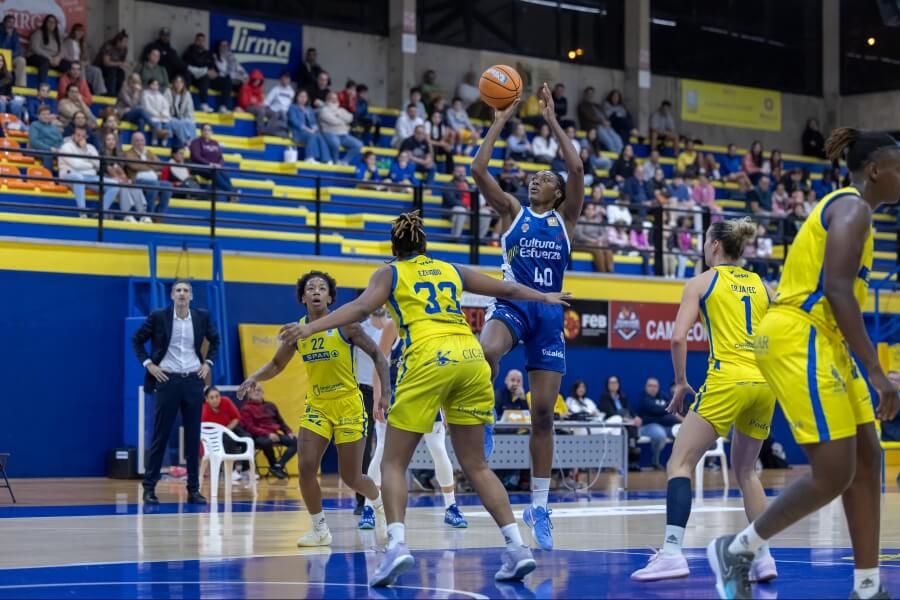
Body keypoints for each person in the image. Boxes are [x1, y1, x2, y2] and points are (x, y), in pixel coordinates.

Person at [278, 210, 571, 586]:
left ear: (394, 247)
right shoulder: (450, 268)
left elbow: (360, 308)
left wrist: (310, 328)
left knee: (394, 462)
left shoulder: (390, 272)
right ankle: (517, 549)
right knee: (476, 465)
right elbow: (509, 289)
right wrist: (545, 295)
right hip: (470, 356)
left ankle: (396, 546)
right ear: (425, 244)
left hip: (429, 358)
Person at [707, 128, 900, 600]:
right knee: (834, 471)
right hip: (801, 333)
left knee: (868, 455)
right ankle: (739, 548)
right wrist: (876, 372)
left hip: (825, 338)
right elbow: (835, 291)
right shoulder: (852, 207)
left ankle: (868, 585)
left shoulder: (859, 214)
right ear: (875, 170)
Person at [631, 217, 778, 584]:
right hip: (764, 383)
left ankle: (671, 553)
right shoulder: (763, 285)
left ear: (714, 246)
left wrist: (681, 382)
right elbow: (782, 332)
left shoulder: (701, 282)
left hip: (727, 377)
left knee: (679, 463)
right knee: (747, 472)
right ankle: (763, 558)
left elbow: (678, 338)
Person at [471, 83, 584, 551]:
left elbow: (576, 165)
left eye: (544, 178)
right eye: (533, 177)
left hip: (549, 316)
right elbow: (478, 170)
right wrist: (501, 116)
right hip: (513, 303)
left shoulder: (566, 220)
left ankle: (539, 504)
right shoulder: (513, 211)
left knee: (542, 416)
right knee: (485, 351)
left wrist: (552, 119)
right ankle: (484, 414)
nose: (535, 181)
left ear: (558, 193)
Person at [238, 270, 389, 546]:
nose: (316, 291)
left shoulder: (347, 326)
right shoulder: (297, 331)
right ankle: (320, 529)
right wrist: (253, 378)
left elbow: (379, 356)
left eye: (322, 288)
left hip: (349, 405)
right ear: (302, 297)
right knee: (306, 466)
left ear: (330, 296)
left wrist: (384, 395)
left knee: (352, 476)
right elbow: (276, 365)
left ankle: (379, 504)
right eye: (311, 288)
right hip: (318, 405)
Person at [361, 314, 469, 530]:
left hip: (429, 396)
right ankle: (369, 508)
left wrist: (446, 405)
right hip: (397, 396)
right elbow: (379, 360)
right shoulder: (394, 325)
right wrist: (376, 397)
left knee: (438, 449)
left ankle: (451, 507)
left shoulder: (437, 325)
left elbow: (445, 370)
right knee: (382, 450)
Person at [131, 279, 220, 505]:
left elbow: (216, 341)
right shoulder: (159, 316)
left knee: (192, 439)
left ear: (191, 296)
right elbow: (137, 340)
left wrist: (208, 363)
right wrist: (149, 364)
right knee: (160, 436)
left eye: (186, 291)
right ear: (172, 295)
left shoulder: (201, 317)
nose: (182, 294)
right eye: (178, 290)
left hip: (192, 381)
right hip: (167, 380)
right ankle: (149, 488)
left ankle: (194, 489)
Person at [352, 307, 390, 516]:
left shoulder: (396, 327)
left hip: (391, 391)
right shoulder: (359, 329)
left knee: (389, 447)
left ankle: (387, 495)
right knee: (363, 446)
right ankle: (363, 499)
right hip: (362, 391)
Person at [237, 383, 296, 479]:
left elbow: (281, 422)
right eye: (253, 390)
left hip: (274, 434)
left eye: (259, 390)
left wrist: (288, 432)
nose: (256, 392)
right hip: (258, 436)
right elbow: (250, 428)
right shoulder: (246, 409)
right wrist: (268, 434)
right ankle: (273, 465)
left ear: (263, 392)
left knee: (295, 441)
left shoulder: (271, 405)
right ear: (248, 394)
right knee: (266, 442)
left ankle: (278, 466)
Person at [201, 386, 249, 482]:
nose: (215, 400)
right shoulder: (204, 412)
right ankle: (231, 471)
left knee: (247, 438)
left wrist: (226, 430)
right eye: (212, 397)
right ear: (206, 399)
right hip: (215, 435)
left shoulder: (226, 401)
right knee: (229, 441)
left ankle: (246, 470)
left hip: (229, 428)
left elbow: (236, 418)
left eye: (217, 396)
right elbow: (204, 434)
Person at [638, 377, 682, 469]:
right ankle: (655, 461)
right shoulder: (643, 398)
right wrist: (665, 410)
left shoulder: (664, 396)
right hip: (649, 426)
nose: (653, 388)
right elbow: (655, 410)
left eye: (655, 386)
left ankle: (680, 463)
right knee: (660, 434)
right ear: (646, 387)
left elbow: (672, 408)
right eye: (650, 386)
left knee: (682, 433)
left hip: (667, 426)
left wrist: (664, 411)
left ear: (658, 387)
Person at [125, 132, 173, 215]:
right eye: (137, 140)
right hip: (137, 180)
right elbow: (135, 166)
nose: (140, 142)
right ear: (132, 142)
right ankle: (149, 214)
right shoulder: (128, 153)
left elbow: (160, 165)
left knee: (168, 185)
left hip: (153, 180)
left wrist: (145, 164)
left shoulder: (149, 153)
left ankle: (159, 214)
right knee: (154, 184)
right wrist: (151, 166)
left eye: (142, 140)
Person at [318, 92, 362, 166]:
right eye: (332, 98)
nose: (334, 100)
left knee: (358, 144)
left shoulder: (341, 110)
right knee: (336, 143)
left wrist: (339, 116)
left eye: (335, 98)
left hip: (343, 134)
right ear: (327, 99)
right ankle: (335, 162)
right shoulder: (324, 110)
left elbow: (350, 118)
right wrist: (344, 122)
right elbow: (333, 121)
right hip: (330, 133)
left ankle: (344, 161)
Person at [288, 89, 328, 163]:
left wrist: (315, 129)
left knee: (319, 135)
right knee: (311, 135)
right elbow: (294, 122)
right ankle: (309, 157)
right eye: (301, 96)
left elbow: (313, 122)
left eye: (305, 97)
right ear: (297, 97)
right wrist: (308, 129)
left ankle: (326, 159)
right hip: (298, 132)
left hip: (308, 131)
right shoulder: (292, 107)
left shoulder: (309, 109)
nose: (303, 98)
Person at [27, 15, 69, 86]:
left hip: (53, 60)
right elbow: (35, 48)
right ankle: (43, 86)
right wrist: (49, 58)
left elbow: (63, 51)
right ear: (45, 23)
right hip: (36, 57)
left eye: (54, 22)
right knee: (44, 62)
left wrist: (58, 58)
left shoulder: (57, 36)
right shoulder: (38, 33)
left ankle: (67, 87)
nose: (52, 24)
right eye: (49, 22)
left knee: (67, 65)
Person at [95, 30, 129, 100]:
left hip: (115, 67)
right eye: (124, 42)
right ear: (118, 42)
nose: (126, 44)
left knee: (121, 74)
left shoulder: (124, 49)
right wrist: (120, 63)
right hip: (102, 67)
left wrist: (124, 65)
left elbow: (122, 61)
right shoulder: (108, 46)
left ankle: (117, 94)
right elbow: (106, 62)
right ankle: (110, 95)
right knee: (112, 72)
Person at [28, 106, 63, 170]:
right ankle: (48, 177)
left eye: (48, 114)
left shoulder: (54, 127)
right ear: (38, 116)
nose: (46, 116)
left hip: (55, 150)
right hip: (39, 150)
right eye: (43, 114)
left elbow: (61, 140)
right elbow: (34, 141)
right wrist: (50, 148)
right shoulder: (34, 125)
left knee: (67, 154)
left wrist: (59, 148)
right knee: (48, 154)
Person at [166, 75, 196, 147]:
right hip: (170, 117)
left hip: (182, 117)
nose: (179, 84)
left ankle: (193, 143)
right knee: (179, 123)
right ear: (174, 83)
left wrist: (187, 118)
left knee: (191, 123)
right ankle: (185, 142)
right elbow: (165, 108)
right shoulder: (168, 92)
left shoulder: (187, 94)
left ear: (183, 84)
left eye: (181, 82)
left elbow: (190, 110)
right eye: (177, 82)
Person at [0, 15, 26, 88]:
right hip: (1, 58)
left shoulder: (14, 32)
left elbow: (17, 49)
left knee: (21, 60)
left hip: (10, 58)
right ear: (4, 22)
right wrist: (7, 36)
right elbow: (2, 49)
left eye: (13, 23)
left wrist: (11, 57)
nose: (11, 25)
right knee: (8, 77)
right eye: (9, 22)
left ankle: (20, 87)